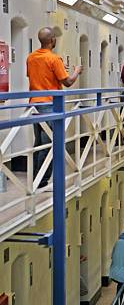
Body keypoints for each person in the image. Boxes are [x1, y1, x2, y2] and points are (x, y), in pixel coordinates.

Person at [26, 27, 82, 188]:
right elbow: (67, 82)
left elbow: (32, 77)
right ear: (52, 40)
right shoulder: (54, 59)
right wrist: (77, 71)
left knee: (39, 144)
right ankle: (41, 181)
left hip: (34, 105)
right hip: (50, 105)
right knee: (50, 144)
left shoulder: (31, 58)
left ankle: (37, 180)